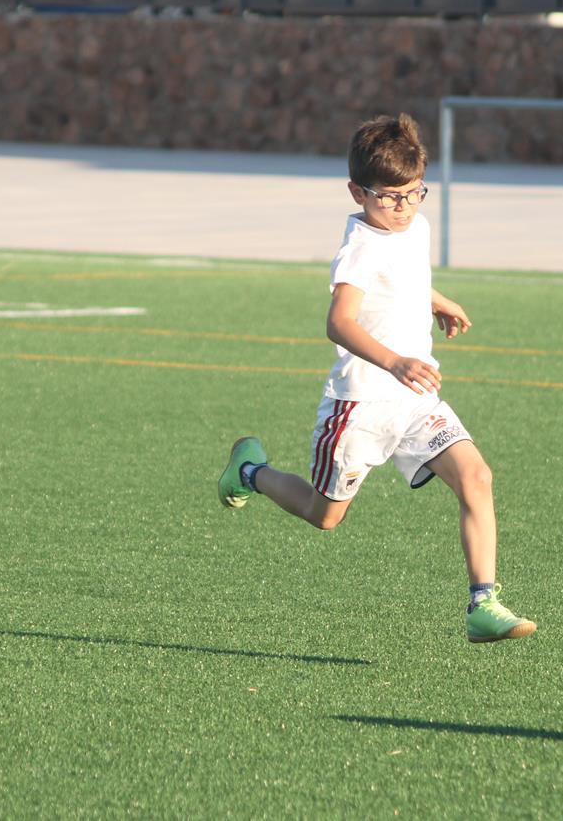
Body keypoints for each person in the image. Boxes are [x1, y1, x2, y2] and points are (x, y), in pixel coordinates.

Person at [217, 113, 536, 644]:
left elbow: (405, 276)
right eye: (389, 197)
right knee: (324, 516)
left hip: (414, 400)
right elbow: (339, 322)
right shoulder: (359, 249)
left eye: (414, 193)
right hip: (360, 405)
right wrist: (395, 362)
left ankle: (482, 604)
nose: (404, 207)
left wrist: (437, 300)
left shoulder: (416, 226)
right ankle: (250, 471)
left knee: (477, 478)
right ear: (357, 192)